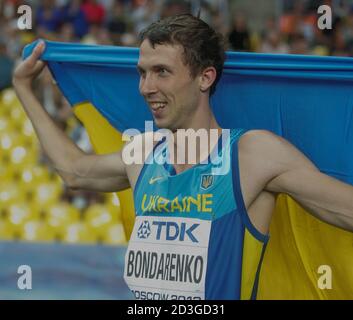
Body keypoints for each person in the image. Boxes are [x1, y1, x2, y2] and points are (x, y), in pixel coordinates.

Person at [12, 14, 353, 300]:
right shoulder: (143, 153)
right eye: (142, 73)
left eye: (162, 72)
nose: (146, 87)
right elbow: (74, 171)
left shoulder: (253, 155)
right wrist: (25, 90)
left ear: (205, 77)